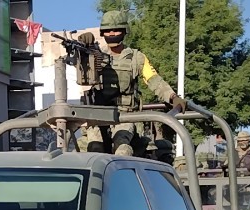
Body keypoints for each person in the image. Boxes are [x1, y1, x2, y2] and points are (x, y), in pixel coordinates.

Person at [77, 10, 187, 156]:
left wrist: (172, 97)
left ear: (124, 31)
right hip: (99, 114)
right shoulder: (95, 56)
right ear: (102, 32)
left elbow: (154, 80)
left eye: (116, 29)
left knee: (122, 147)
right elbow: (81, 70)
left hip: (125, 116)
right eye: (108, 30)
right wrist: (83, 47)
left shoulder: (136, 58)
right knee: (94, 148)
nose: (112, 33)